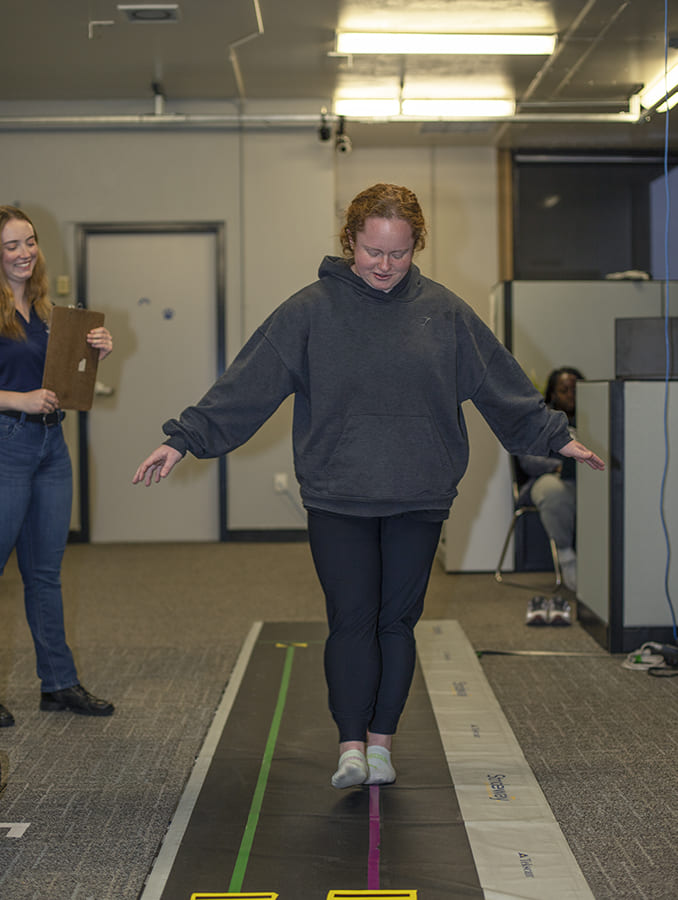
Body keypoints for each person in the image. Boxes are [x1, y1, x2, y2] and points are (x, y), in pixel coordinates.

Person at [133, 183, 604, 788]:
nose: (384, 266)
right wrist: (183, 439)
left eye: (399, 254)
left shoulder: (446, 313)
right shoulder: (308, 311)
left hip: (420, 493)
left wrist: (556, 436)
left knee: (396, 624)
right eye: (373, 251)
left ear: (416, 247)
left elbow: (501, 386)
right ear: (350, 241)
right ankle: (350, 746)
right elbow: (246, 386)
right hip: (339, 494)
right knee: (352, 620)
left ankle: (382, 746)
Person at [0, 205, 115, 728]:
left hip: (51, 447)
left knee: (44, 574)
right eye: (11, 246)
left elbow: (65, 376)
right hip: (7, 444)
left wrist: (96, 354)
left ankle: (58, 683)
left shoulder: (47, 312)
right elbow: (23, 389)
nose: (24, 253)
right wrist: (17, 400)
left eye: (30, 242)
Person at [518, 368, 583, 613]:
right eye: (564, 390)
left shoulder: (596, 418)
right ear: (553, 394)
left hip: (586, 484)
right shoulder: (541, 421)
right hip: (548, 480)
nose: (571, 395)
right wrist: (559, 465)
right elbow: (528, 461)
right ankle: (566, 556)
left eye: (576, 390)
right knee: (554, 492)